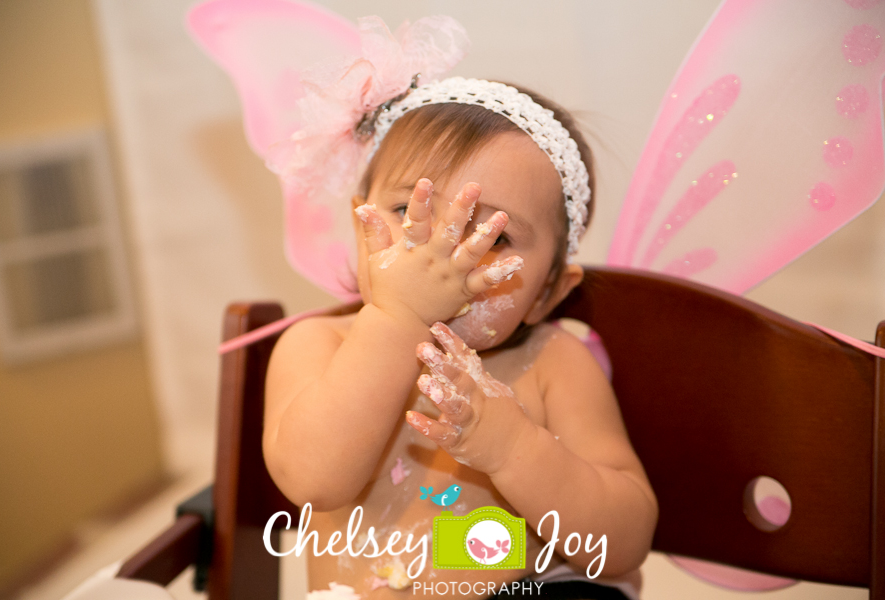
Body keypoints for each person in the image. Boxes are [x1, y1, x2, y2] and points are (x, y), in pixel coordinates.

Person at [262, 73, 658, 600]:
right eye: (409, 210)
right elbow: (316, 482)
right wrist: (397, 319)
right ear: (362, 225)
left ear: (548, 292)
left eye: (493, 234)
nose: (444, 252)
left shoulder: (553, 364)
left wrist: (513, 449)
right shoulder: (319, 346)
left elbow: (624, 542)